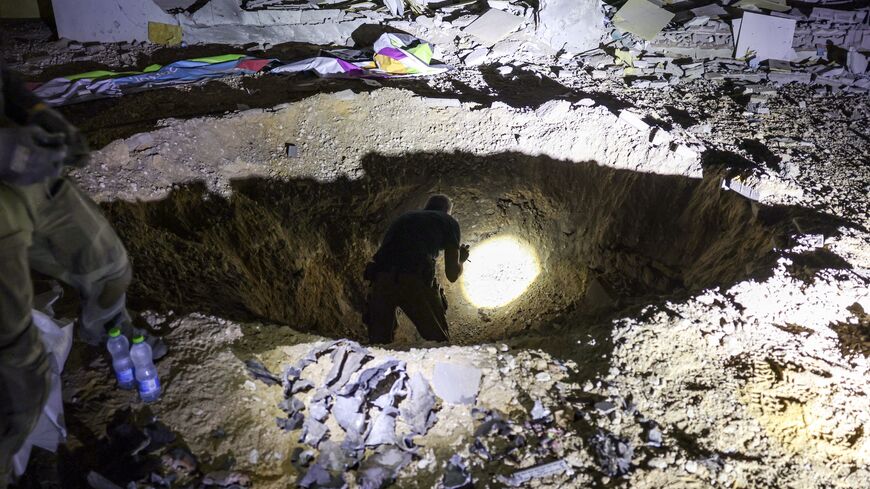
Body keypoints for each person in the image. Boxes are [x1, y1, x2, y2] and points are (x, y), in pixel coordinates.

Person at [0, 61, 134, 487]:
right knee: (19, 368)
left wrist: (34, 111)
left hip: (23, 171)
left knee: (108, 268)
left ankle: (108, 340)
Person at [364, 194, 470, 343]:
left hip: (381, 279)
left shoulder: (405, 218)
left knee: (379, 345)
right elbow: (452, 274)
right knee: (439, 342)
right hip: (412, 279)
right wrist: (461, 260)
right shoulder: (448, 221)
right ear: (447, 211)